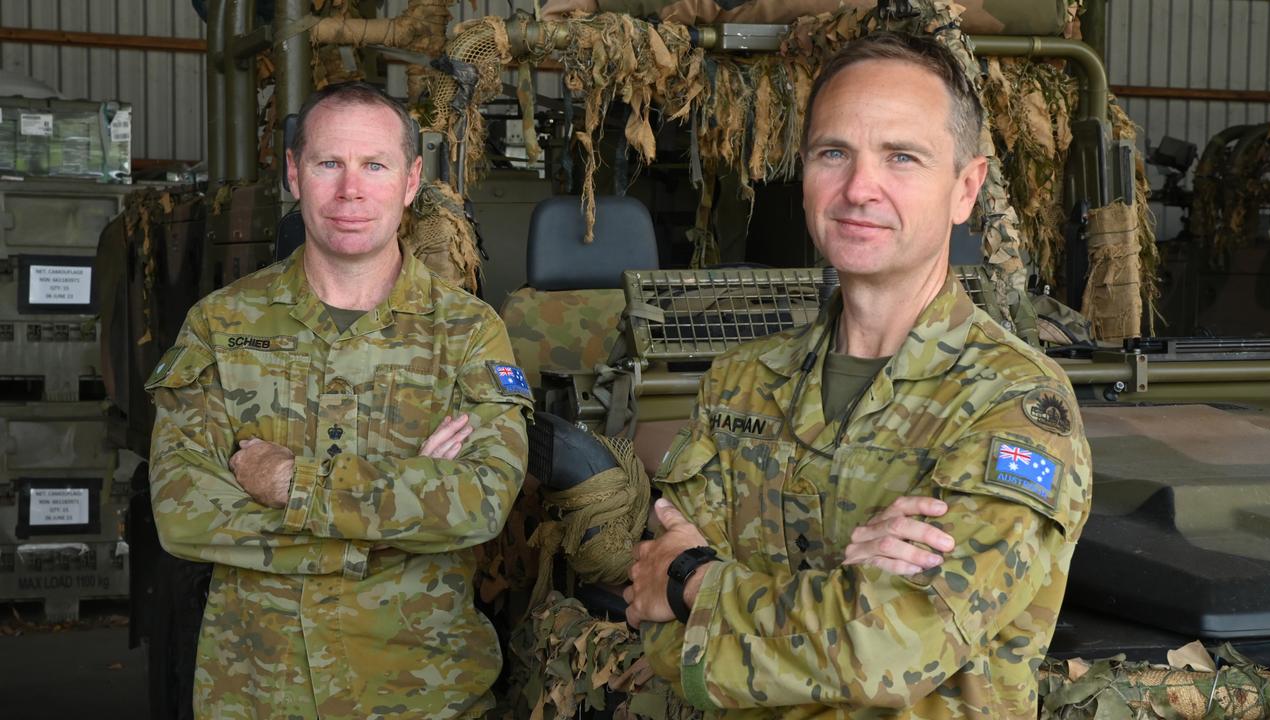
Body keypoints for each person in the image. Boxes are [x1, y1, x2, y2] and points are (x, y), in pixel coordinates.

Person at [623, 32, 1092, 718]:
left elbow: (892, 649)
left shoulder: (1013, 405)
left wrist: (698, 580)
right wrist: (847, 594)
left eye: (902, 157)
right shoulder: (739, 383)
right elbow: (658, 629)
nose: (858, 188)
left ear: (966, 188)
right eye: (833, 153)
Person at [145, 81, 532, 719]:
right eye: (329, 164)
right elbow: (182, 512)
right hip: (259, 694)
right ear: (295, 175)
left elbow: (480, 502)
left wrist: (289, 482)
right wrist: (384, 531)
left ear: (410, 182)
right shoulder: (220, 323)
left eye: (373, 166)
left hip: (422, 694)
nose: (350, 191)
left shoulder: (467, 331)